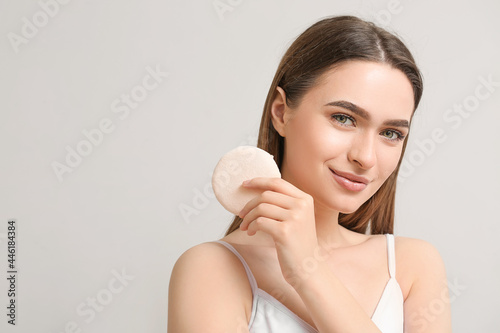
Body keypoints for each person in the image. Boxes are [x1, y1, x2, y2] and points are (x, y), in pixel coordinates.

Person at [168, 15, 452, 333]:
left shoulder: (412, 265)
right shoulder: (213, 268)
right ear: (281, 112)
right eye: (343, 118)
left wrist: (309, 270)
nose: (366, 157)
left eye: (390, 133)